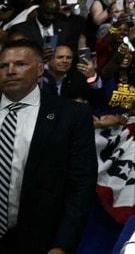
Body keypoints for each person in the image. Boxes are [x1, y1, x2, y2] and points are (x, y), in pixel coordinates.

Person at [0, 37, 96, 254]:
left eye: (21, 64)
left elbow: (81, 186)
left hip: (41, 242)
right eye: (3, 66)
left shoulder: (71, 115)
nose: (11, 71)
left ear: (40, 69)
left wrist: (62, 245)